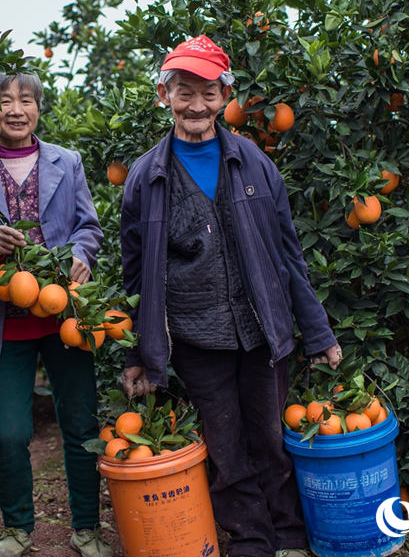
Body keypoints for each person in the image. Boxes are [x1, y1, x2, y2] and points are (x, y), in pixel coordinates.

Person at [119, 35, 342, 557]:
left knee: (270, 439)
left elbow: (289, 254)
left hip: (263, 328)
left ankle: (288, 536)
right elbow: (135, 279)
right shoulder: (145, 178)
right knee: (224, 448)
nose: (197, 105)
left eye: (209, 92)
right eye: (184, 92)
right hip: (195, 338)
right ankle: (250, 541)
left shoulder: (255, 165)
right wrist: (137, 352)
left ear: (225, 95)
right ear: (164, 94)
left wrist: (318, 332)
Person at [0, 72, 111, 557]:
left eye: (25, 100)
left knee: (81, 425)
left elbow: (89, 227)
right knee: (6, 431)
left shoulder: (68, 161)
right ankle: (18, 527)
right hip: (4, 321)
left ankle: (86, 527)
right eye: (5, 101)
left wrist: (82, 253)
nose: (16, 109)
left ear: (39, 108)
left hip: (64, 317)